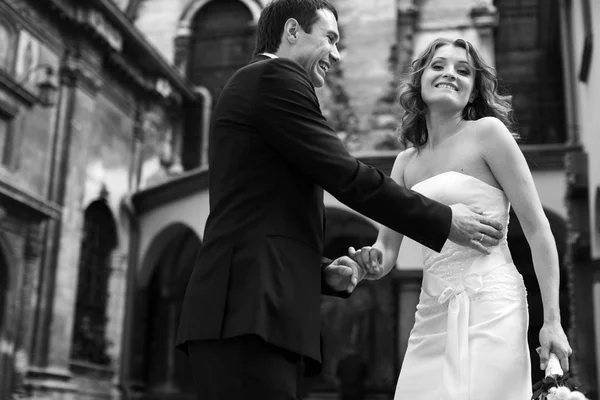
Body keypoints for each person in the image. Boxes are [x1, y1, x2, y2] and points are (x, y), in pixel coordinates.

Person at [175, 2, 504, 398]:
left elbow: (259, 206)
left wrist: (321, 272)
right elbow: (344, 174)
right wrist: (444, 220)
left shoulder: (259, 82)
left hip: (247, 309)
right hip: (247, 310)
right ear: (292, 31)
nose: (335, 54)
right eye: (329, 38)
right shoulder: (276, 77)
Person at [349, 37, 572, 400]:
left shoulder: (488, 134)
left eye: (463, 70)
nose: (449, 74)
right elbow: (387, 249)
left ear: (472, 93)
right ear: (420, 80)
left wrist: (552, 322)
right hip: (432, 309)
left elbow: (537, 228)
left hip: (492, 303)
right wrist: (368, 263)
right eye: (438, 66)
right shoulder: (405, 163)